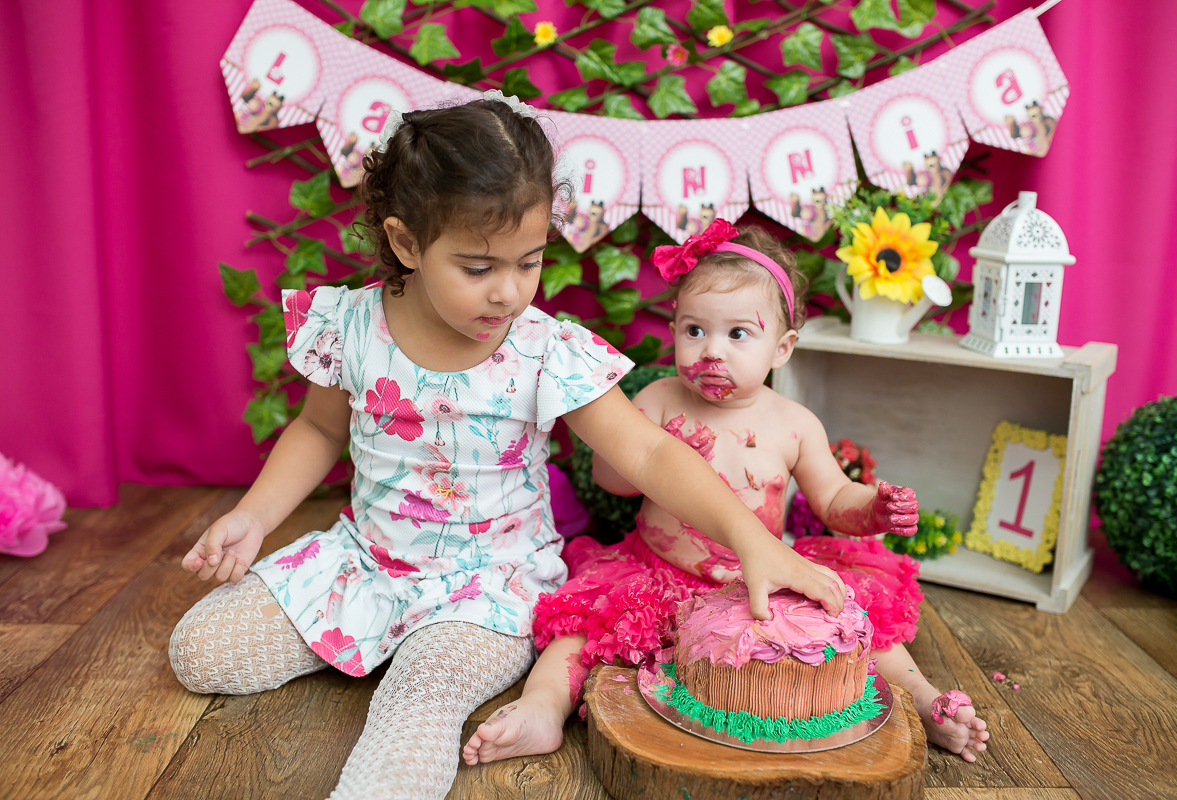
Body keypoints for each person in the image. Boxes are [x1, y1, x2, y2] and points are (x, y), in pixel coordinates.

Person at [168, 95, 854, 800]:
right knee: (199, 653)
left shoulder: (541, 349)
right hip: (367, 560)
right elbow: (317, 430)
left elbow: (649, 455)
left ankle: (413, 676)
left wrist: (752, 541)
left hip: (488, 588)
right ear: (408, 244)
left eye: (528, 262)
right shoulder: (353, 324)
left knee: (418, 700)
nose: (507, 293)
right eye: (476, 268)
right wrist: (254, 516)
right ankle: (368, 634)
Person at [464, 221, 989, 766]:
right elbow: (610, 479)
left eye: (738, 334)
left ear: (781, 348)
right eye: (694, 330)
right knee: (578, 633)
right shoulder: (661, 399)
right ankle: (542, 709)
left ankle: (925, 702)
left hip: (763, 578)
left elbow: (834, 501)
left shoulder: (795, 424)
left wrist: (873, 508)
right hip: (656, 573)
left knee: (858, 622)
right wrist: (666, 449)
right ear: (674, 327)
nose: (710, 351)